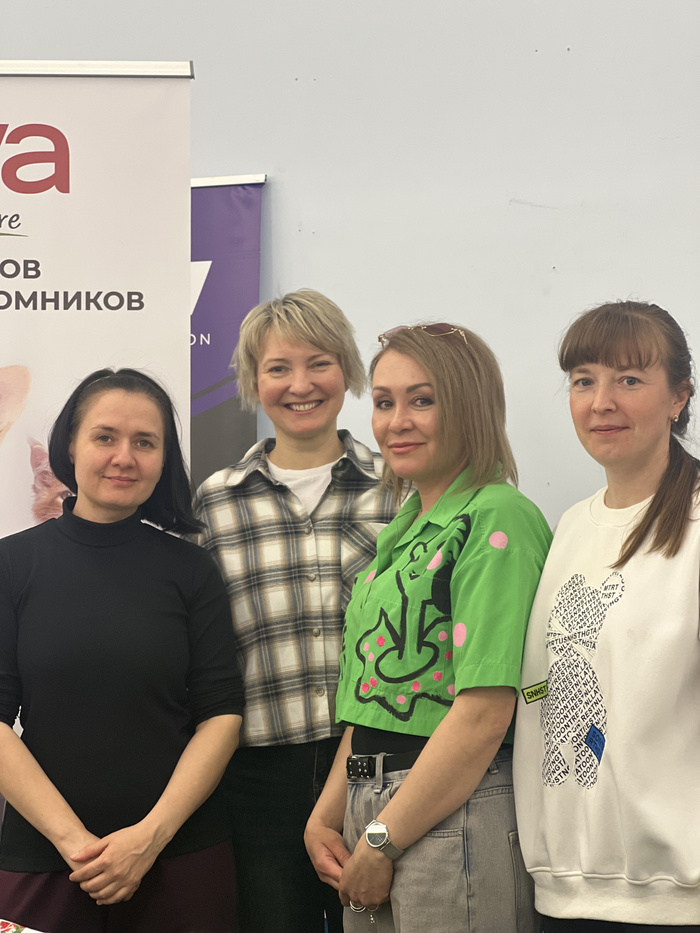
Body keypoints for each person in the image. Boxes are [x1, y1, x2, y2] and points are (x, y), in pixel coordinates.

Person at [305, 322, 552, 933]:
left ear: (470, 405)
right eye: (384, 402)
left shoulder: (497, 517)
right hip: (376, 806)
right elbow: (376, 700)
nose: (397, 422)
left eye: (422, 400)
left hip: (447, 808)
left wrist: (381, 840)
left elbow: (482, 713)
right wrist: (326, 815)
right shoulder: (407, 525)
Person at [0, 368, 245, 933]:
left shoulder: (192, 569)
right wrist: (75, 843)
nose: (124, 457)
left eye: (145, 442)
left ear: (164, 459)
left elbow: (221, 714)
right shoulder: (12, 565)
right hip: (44, 861)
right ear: (70, 446)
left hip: (181, 857)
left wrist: (148, 839)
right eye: (105, 437)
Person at [194, 289, 397, 933]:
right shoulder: (215, 503)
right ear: (253, 381)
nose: (300, 385)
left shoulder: (402, 490)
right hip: (259, 776)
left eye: (320, 363)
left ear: (348, 371)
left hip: (380, 761)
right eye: (278, 368)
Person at [514, 300, 700, 931]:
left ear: (678, 397)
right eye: (583, 381)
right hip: (563, 893)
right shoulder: (570, 527)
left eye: (629, 379)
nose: (601, 403)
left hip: (675, 899)